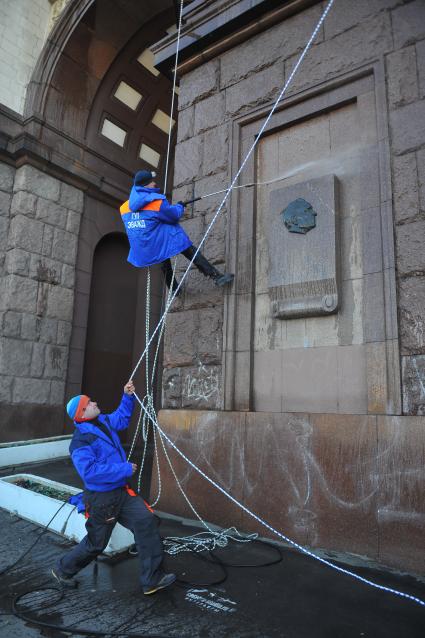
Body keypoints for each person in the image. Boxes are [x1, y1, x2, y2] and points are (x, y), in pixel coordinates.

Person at [52, 380, 175, 595]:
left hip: (121, 493)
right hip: (102, 500)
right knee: (96, 543)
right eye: (89, 403)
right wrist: (123, 469)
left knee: (146, 522)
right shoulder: (80, 442)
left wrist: (126, 397)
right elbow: (90, 472)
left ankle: (152, 580)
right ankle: (63, 569)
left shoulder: (103, 421)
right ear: (81, 412)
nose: (94, 403)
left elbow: (121, 418)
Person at [119, 170, 234, 294]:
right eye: (151, 181)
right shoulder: (156, 202)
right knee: (189, 249)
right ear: (146, 185)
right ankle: (216, 276)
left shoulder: (124, 207)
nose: (154, 183)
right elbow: (172, 216)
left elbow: (147, 219)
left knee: (164, 259)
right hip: (158, 240)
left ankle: (174, 289)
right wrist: (180, 207)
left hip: (143, 248)